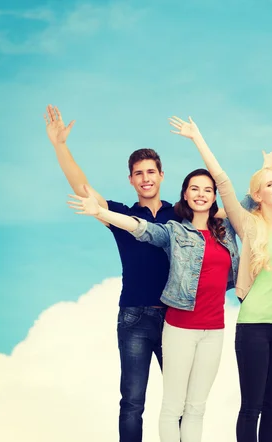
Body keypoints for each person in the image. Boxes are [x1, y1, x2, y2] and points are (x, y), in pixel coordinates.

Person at [168, 107, 272, 442]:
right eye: (270, 183)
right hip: (253, 328)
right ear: (258, 194)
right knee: (252, 407)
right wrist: (196, 137)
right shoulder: (247, 223)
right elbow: (222, 180)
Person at [67, 168, 239, 442]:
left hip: (214, 330)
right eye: (195, 188)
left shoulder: (225, 230)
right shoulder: (174, 229)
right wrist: (99, 212)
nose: (201, 194)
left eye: (208, 189)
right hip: (176, 324)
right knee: (161, 405)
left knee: (195, 408)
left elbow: (246, 207)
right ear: (184, 193)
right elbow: (141, 228)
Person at [44, 104, 178, 442]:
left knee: (179, 403)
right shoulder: (120, 215)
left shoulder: (180, 215)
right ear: (131, 180)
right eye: (139, 173)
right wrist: (60, 146)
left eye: (151, 171)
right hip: (134, 316)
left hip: (176, 318)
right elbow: (82, 188)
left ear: (162, 175)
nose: (146, 178)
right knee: (132, 402)